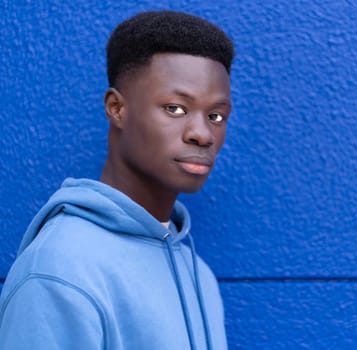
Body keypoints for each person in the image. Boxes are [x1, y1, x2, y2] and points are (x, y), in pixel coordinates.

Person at [0, 10, 234, 350]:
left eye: (216, 116)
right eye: (175, 108)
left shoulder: (199, 275)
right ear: (116, 108)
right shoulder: (60, 271)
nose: (202, 134)